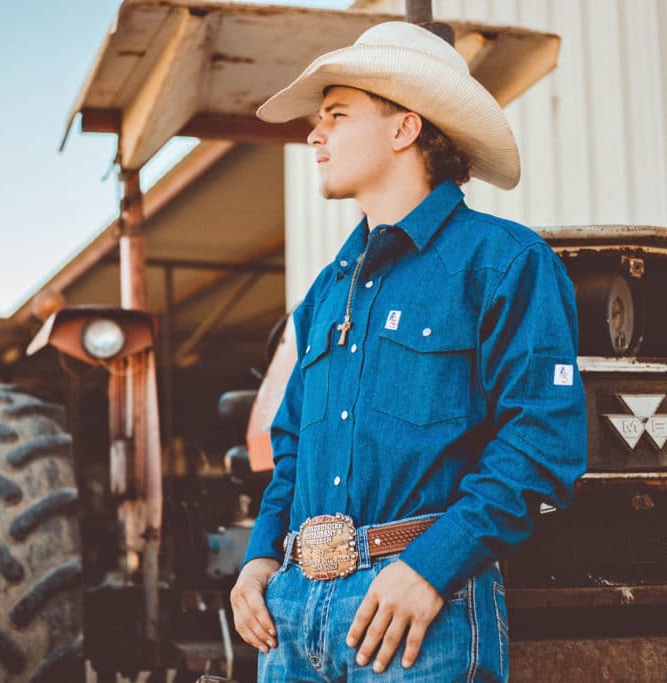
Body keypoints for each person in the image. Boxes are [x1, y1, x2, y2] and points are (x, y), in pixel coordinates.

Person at [230, 21, 587, 682]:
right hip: (293, 614)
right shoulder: (324, 294)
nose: (315, 135)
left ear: (405, 129)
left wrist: (431, 565)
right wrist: (258, 558)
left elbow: (541, 439)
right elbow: (291, 448)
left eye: (336, 115)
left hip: (420, 605)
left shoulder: (503, 263)